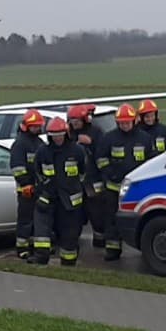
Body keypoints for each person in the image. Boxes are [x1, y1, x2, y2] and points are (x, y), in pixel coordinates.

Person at [93, 103, 153, 261]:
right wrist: (110, 173)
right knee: (111, 219)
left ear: (134, 121)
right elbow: (100, 159)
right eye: (121, 123)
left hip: (137, 188)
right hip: (114, 188)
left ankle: (144, 249)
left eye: (127, 122)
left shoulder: (145, 138)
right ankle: (113, 249)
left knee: (140, 218)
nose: (124, 125)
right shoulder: (109, 138)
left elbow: (151, 160)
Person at [32, 115, 89, 266]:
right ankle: (41, 258)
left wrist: (73, 186)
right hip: (48, 198)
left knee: (70, 235)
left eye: (60, 135)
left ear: (66, 133)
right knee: (42, 232)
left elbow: (84, 172)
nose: (57, 138)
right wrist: (44, 189)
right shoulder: (42, 152)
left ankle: (68, 264)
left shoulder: (77, 151)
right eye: (54, 135)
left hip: (70, 202)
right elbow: (37, 173)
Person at [67, 104, 108, 250]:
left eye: (77, 121)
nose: (74, 123)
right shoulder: (68, 134)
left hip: (93, 180)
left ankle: (100, 240)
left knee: (97, 213)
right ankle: (72, 241)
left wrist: (91, 144)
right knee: (74, 214)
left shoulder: (96, 133)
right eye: (72, 121)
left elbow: (102, 154)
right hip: (74, 182)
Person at [8, 109, 46, 259]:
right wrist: (25, 184)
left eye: (38, 126)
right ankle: (22, 248)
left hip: (39, 188)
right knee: (25, 220)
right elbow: (17, 167)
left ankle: (36, 247)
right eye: (34, 126)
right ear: (26, 126)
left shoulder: (39, 143)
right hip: (26, 190)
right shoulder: (20, 144)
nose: (37, 128)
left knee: (39, 220)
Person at [132, 99, 166, 163]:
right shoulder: (135, 132)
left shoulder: (163, 130)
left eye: (152, 116)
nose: (150, 119)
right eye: (147, 117)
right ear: (141, 117)